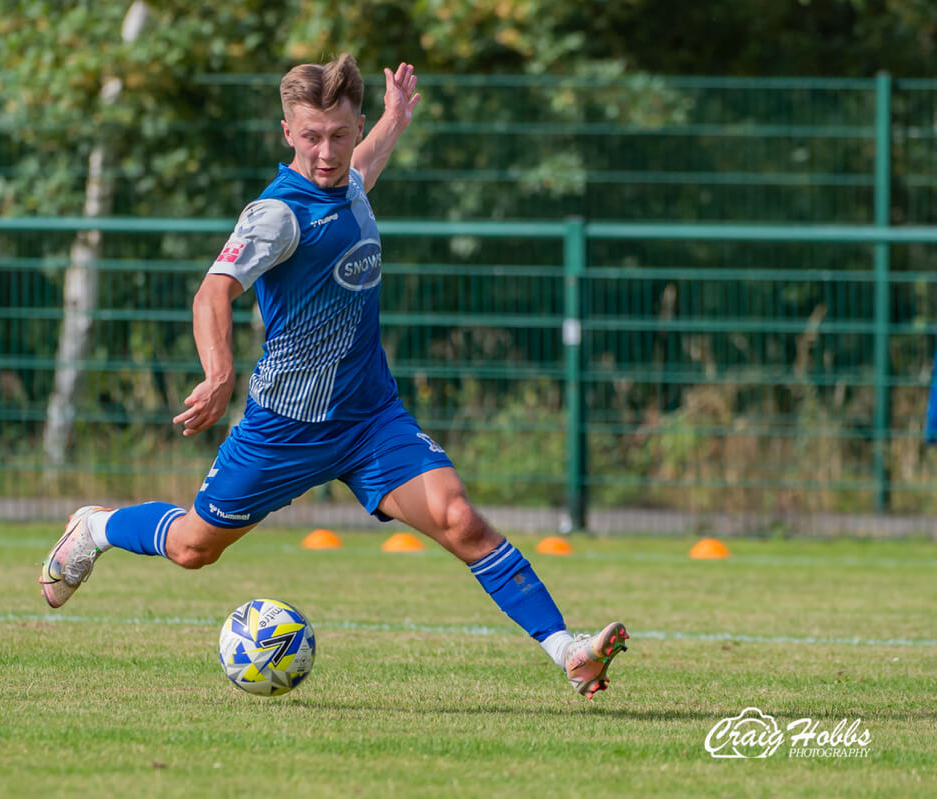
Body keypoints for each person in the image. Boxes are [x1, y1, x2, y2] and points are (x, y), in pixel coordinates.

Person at [39, 54, 628, 698]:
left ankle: (567, 650)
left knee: (461, 519)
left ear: (355, 126)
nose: (328, 153)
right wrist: (218, 373)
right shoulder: (275, 215)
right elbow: (211, 295)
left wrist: (398, 118)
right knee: (192, 548)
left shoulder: (348, 180)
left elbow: (365, 164)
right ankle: (95, 526)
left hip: (370, 419)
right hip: (285, 427)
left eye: (341, 135)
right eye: (312, 136)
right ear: (287, 132)